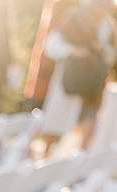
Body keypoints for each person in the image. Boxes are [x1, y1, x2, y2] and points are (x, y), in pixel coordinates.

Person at [41, 0, 116, 149]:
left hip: (93, 83)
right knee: (57, 121)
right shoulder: (73, 17)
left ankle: (80, 159)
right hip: (70, 79)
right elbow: (51, 45)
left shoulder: (108, 25)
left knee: (89, 117)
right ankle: (47, 157)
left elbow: (111, 56)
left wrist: (101, 49)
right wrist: (73, 51)